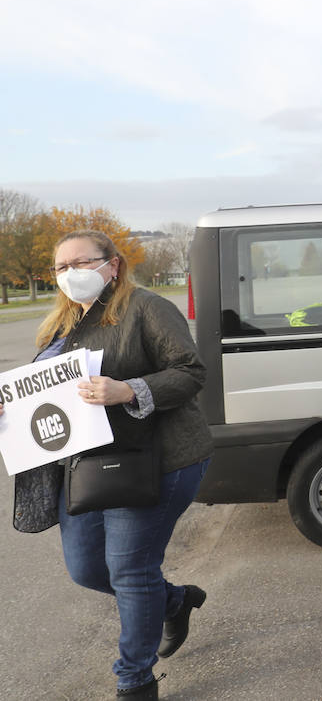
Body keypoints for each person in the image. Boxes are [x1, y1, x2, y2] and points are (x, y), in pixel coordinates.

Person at [7, 230, 214, 700]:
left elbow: (190, 371)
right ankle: (175, 601)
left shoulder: (146, 308)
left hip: (155, 460)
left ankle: (134, 680)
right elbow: (46, 394)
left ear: (113, 264)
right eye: (61, 267)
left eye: (82, 262)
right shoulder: (61, 324)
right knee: (87, 570)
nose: (70, 274)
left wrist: (129, 390)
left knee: (130, 570)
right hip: (86, 468)